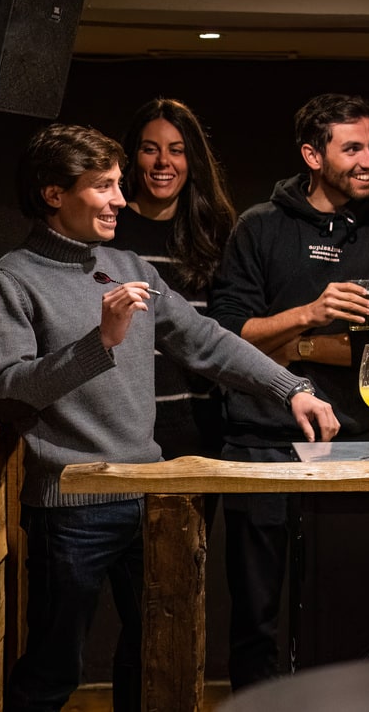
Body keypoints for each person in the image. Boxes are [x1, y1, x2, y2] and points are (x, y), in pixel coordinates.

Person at [0, 123, 340, 712]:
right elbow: (9, 391)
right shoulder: (11, 279)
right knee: (52, 671)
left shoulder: (128, 266)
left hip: (149, 494)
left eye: (120, 184)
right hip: (70, 506)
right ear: (53, 193)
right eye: (104, 186)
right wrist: (102, 340)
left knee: (156, 660)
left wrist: (289, 387)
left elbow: (206, 341)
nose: (122, 199)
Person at [209, 92, 369, 689]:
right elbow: (224, 336)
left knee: (345, 608)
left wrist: (288, 344)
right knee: (255, 618)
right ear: (312, 155)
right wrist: (308, 314)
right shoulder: (260, 226)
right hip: (258, 443)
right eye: (351, 147)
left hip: (356, 446)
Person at [113, 98, 236, 465]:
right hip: (124, 430)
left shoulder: (215, 234)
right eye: (150, 149)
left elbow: (222, 333)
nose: (163, 162)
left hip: (200, 431)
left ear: (192, 160)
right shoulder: (108, 229)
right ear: (133, 157)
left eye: (176, 151)